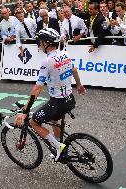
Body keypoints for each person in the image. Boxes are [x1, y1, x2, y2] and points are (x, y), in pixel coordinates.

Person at [14, 28, 86, 161]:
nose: (39, 44)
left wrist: (26, 110)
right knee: (54, 120)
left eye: (40, 42)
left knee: (33, 122)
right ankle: (58, 148)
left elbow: (37, 88)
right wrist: (79, 85)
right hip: (70, 99)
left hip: (57, 102)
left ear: (46, 43)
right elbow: (74, 70)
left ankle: (59, 147)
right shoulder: (65, 54)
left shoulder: (47, 62)